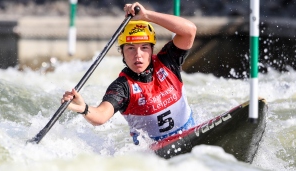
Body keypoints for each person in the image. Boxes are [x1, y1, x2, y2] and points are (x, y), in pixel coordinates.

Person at [61, 2, 197, 145]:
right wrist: (84, 108)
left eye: (144, 47)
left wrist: (146, 16)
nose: (138, 55)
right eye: (131, 48)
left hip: (190, 134)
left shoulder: (168, 61)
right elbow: (101, 116)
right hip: (155, 152)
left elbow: (189, 31)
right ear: (122, 54)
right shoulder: (122, 87)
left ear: (151, 49)